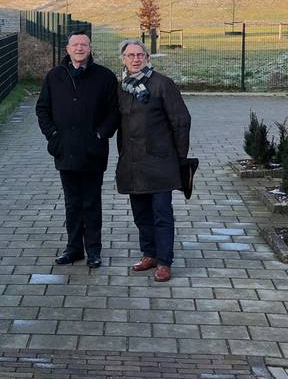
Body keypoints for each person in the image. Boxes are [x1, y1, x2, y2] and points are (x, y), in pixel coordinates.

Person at [35, 31, 120, 269]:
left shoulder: (104, 76)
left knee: (91, 202)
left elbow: (114, 112)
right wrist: (53, 136)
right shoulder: (54, 76)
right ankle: (74, 248)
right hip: (65, 151)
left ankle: (93, 250)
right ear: (67, 49)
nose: (80, 48)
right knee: (72, 203)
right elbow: (42, 109)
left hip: (93, 151)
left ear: (90, 48)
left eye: (84, 44)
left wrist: (101, 134)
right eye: (75, 45)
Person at [115, 39, 191, 283]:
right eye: (130, 55)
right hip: (133, 163)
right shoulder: (122, 86)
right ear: (123, 59)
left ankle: (165, 262)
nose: (135, 59)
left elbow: (181, 121)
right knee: (141, 214)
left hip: (160, 162)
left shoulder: (162, 84)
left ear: (147, 57)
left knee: (161, 214)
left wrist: (179, 156)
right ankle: (149, 254)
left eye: (140, 55)